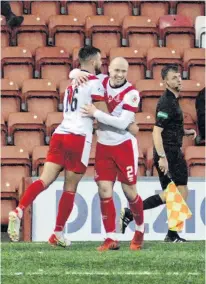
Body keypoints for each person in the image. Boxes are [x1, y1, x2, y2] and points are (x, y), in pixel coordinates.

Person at [7, 46, 105, 245]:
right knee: (70, 187)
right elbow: (102, 114)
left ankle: (19, 210)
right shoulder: (94, 83)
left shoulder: (72, 82)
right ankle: (57, 233)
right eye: (100, 60)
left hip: (60, 133)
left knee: (45, 179)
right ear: (94, 61)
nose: (101, 63)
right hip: (78, 137)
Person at [120, 64, 196, 243]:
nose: (179, 79)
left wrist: (185, 132)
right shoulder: (166, 102)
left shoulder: (174, 100)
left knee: (178, 193)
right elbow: (156, 131)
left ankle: (169, 232)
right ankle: (167, 231)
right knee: (177, 193)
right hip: (168, 153)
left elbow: (171, 126)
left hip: (173, 152)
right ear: (166, 82)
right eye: (174, 78)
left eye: (179, 76)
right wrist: (162, 157)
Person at [78, 57, 144, 251]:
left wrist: (96, 114)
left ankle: (139, 230)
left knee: (129, 192)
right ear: (109, 70)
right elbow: (76, 74)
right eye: (116, 70)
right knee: (104, 190)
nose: (119, 75)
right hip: (104, 146)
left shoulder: (131, 93)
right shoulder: (100, 81)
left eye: (123, 71)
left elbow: (123, 124)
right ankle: (111, 237)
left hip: (123, 146)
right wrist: (76, 73)